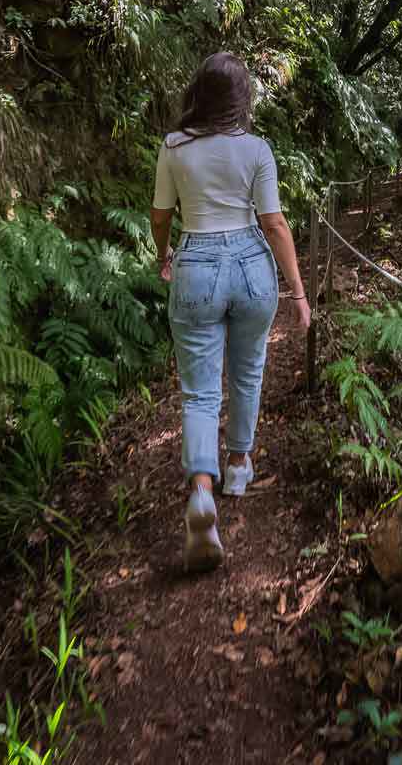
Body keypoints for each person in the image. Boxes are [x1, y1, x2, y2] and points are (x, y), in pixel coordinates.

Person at [150, 52, 311, 571]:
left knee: (199, 391)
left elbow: (160, 215)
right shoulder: (258, 149)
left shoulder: (174, 148)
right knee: (248, 373)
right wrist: (299, 293)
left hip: (195, 260)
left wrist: (164, 254)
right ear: (242, 99)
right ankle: (239, 465)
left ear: (199, 92)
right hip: (249, 268)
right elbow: (276, 225)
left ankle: (202, 489)